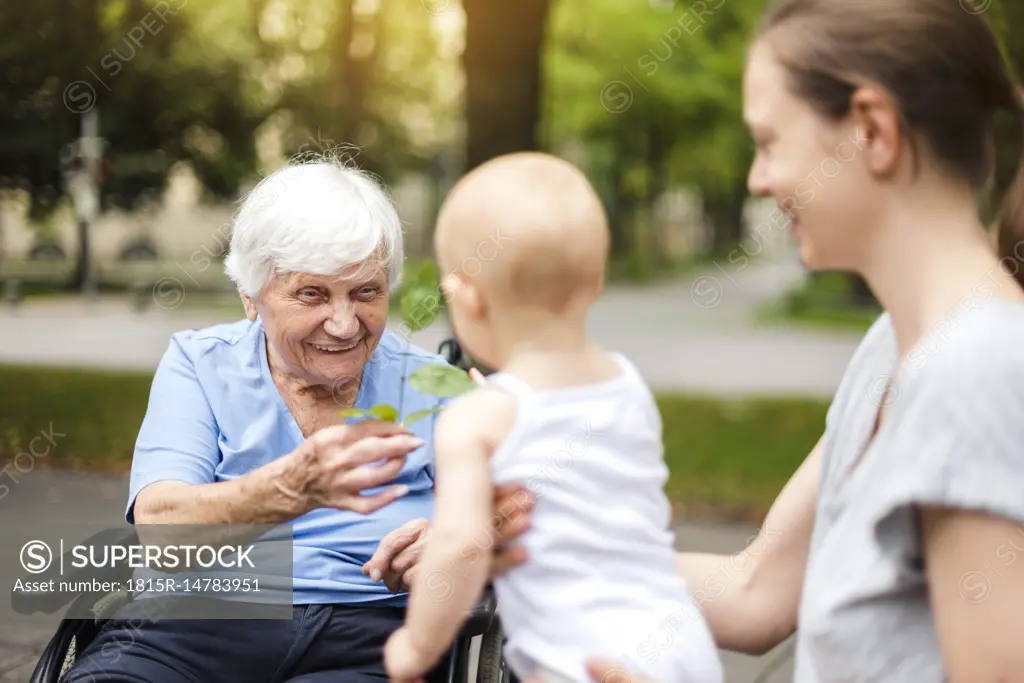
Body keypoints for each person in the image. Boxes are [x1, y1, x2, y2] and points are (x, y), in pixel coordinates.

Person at [497, 1, 1024, 681]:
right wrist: (527, 553)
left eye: (770, 141)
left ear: (872, 129)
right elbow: (758, 589)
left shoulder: (977, 371)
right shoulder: (894, 346)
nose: (756, 177)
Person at [60, 158, 531, 683]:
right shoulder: (200, 364)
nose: (344, 322)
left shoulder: (434, 386)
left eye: (365, 292)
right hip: (197, 618)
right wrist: (289, 488)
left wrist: (457, 540)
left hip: (373, 630)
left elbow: (514, 522)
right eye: (312, 293)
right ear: (251, 296)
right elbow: (165, 536)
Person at [381, 152, 724, 683]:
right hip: (682, 647)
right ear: (597, 279)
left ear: (468, 299)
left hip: (576, 659)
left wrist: (415, 645)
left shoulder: (478, 418)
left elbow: (462, 546)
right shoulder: (628, 385)